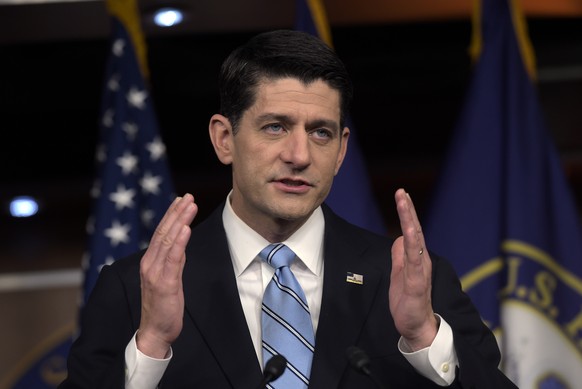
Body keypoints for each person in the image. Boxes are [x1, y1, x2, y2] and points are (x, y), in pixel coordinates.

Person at [59, 30, 517, 388]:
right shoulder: (133, 288)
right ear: (224, 139)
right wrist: (152, 345)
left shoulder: (412, 278)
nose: (299, 155)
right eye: (275, 127)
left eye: (320, 133)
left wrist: (423, 339)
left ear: (340, 152)